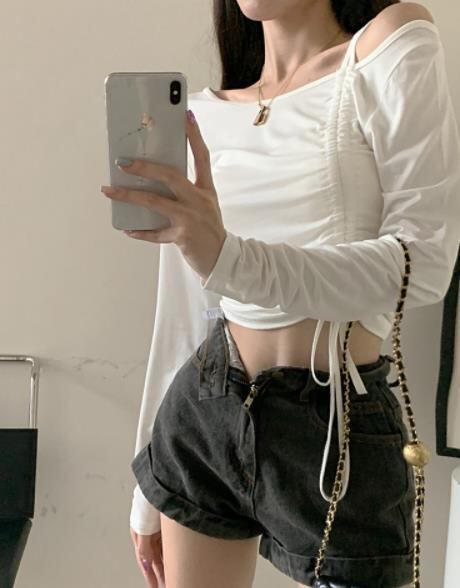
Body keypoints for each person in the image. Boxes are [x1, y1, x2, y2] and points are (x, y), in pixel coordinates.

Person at [102, 0, 460, 586]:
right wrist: (147, 490)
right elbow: (186, 313)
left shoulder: (387, 46)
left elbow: (424, 263)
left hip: (337, 427)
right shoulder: (202, 116)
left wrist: (231, 259)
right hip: (203, 415)